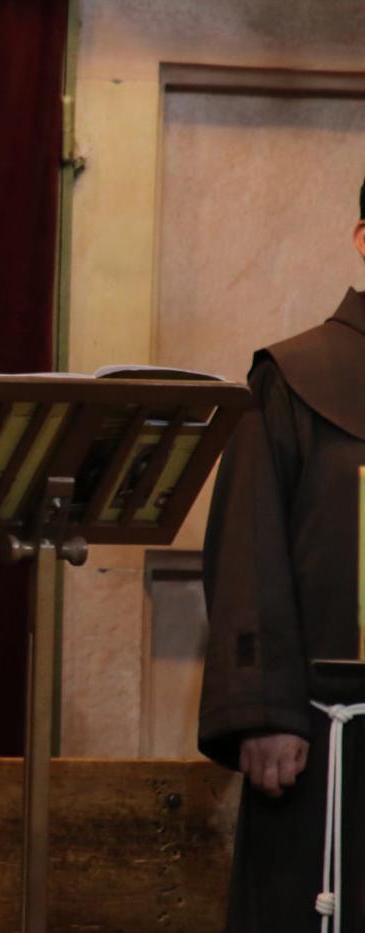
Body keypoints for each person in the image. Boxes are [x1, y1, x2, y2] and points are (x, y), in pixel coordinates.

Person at [198, 181, 365, 932]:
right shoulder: (294, 378)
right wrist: (263, 709)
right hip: (328, 734)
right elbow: (247, 549)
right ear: (364, 239)